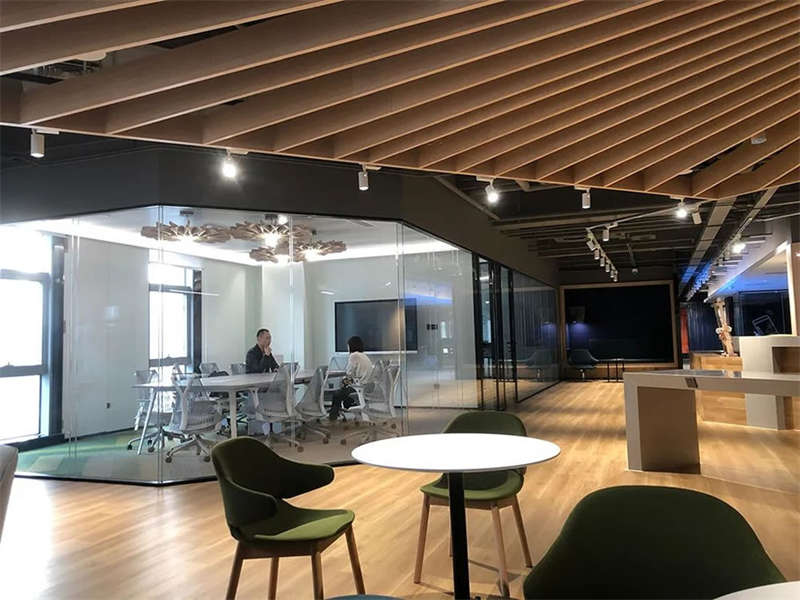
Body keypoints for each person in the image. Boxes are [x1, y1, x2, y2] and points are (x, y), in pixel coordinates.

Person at [328, 336, 372, 420]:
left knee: (337, 394)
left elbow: (349, 374)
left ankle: (332, 419)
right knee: (344, 392)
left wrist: (343, 383)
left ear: (351, 346)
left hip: (358, 387)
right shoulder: (364, 356)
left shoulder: (354, 356)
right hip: (366, 387)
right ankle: (348, 413)